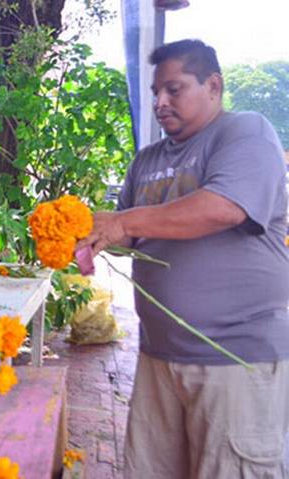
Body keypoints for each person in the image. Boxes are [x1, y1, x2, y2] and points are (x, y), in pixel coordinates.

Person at [78, 39, 289, 478]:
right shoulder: (146, 160)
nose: (160, 102)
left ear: (213, 85)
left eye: (174, 89)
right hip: (159, 357)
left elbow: (224, 207)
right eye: (156, 92)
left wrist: (120, 222)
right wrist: (86, 238)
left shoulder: (245, 133)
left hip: (234, 359)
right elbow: (131, 235)